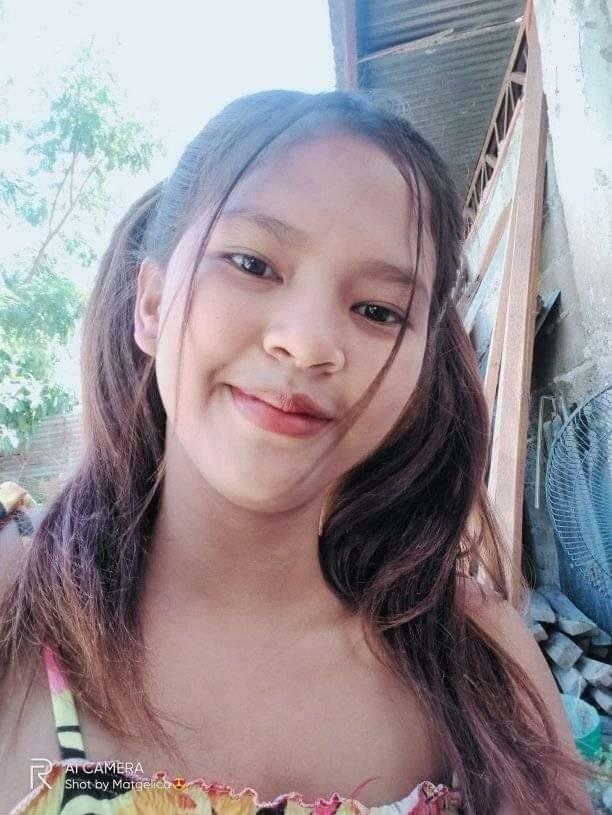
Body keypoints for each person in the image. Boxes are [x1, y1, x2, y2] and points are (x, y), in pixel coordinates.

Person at [0, 89, 596, 815]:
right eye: (252, 264)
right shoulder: (18, 610)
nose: (309, 343)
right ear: (150, 304)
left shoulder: (477, 661)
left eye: (378, 310)